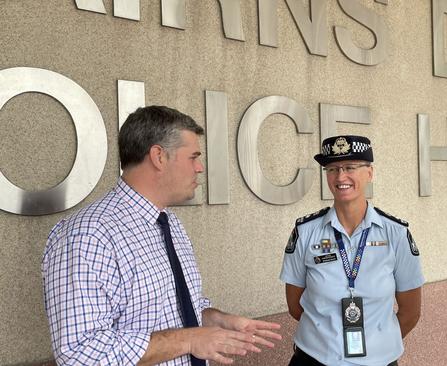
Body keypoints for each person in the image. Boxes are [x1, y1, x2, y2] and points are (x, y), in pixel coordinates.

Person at [42, 105, 281, 365]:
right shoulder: (87, 236)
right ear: (158, 156)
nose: (200, 168)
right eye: (193, 157)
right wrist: (189, 340)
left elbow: (179, 310)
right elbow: (80, 352)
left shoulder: (171, 225)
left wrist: (220, 321)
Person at [280, 135, 424, 366]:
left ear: (369, 173)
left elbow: (411, 312)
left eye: (350, 167)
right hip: (315, 360)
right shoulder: (306, 232)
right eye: (332, 169)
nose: (340, 176)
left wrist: (376, 345)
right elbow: (295, 306)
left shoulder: (395, 234)